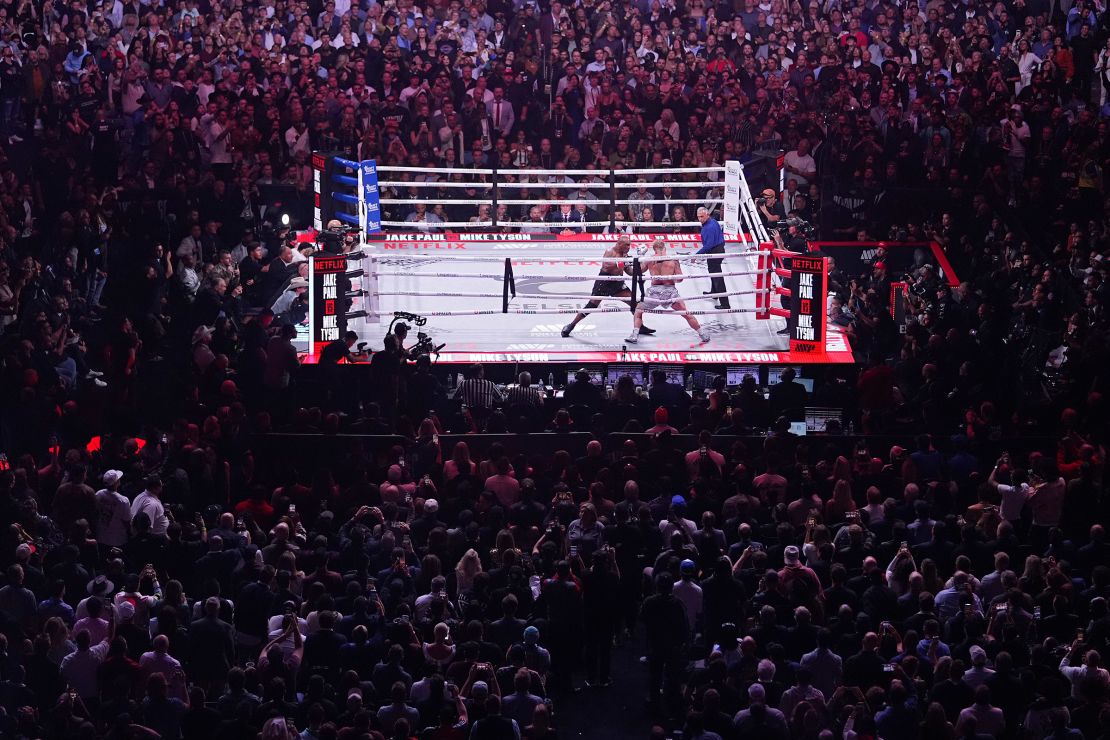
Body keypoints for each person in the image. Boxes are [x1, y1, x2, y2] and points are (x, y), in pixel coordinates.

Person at [561, 236, 654, 337]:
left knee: (634, 304)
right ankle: (571, 326)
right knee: (591, 306)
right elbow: (607, 265)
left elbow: (629, 272)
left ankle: (640, 327)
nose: (629, 247)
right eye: (627, 245)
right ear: (619, 243)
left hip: (617, 283)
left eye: (629, 244)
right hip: (604, 282)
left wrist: (641, 265)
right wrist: (625, 261)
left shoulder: (625, 254)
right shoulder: (610, 251)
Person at [626, 239, 710, 344]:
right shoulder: (673, 260)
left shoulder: (649, 259)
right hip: (670, 292)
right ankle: (702, 334)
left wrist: (638, 258)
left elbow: (637, 272)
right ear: (664, 248)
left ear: (654, 249)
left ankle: (634, 335)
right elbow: (680, 279)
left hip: (654, 293)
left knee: (638, 311)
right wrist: (669, 277)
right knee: (686, 313)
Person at [694, 208, 729, 310]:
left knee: (718, 277)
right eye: (698, 217)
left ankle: (725, 303)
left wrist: (696, 255)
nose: (700, 219)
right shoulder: (713, 221)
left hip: (715, 251)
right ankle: (714, 293)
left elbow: (708, 245)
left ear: (707, 215)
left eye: (702, 216)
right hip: (718, 249)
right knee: (713, 272)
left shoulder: (708, 227)